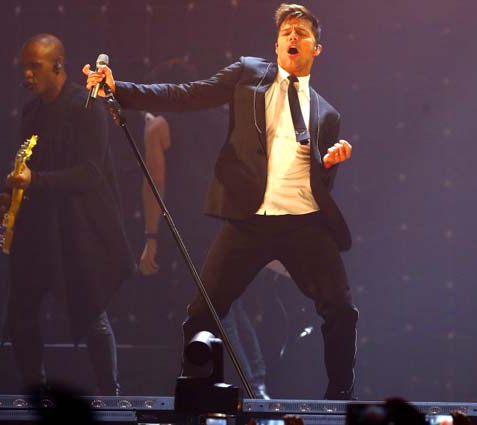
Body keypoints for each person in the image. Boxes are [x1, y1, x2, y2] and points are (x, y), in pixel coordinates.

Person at [84, 3, 358, 399]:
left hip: (303, 223)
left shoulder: (327, 114)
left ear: (316, 49)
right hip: (250, 220)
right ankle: (199, 394)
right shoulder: (249, 74)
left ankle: (340, 398)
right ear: (276, 45)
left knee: (341, 309)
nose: (293, 37)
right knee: (203, 313)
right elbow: (186, 95)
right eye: (286, 32)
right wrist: (120, 89)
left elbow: (319, 184)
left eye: (302, 33)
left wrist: (329, 165)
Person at [0, 33, 132, 395]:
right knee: (21, 312)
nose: (27, 74)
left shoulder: (86, 107)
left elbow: (91, 173)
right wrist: (9, 196)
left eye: (34, 66)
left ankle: (110, 396)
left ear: (57, 66)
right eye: (24, 67)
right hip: (37, 227)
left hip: (76, 228)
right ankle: (35, 393)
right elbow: (28, 164)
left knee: (91, 311)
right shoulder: (32, 112)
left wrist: (35, 180)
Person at [138, 66, 269, 397]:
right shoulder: (222, 117)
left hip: (194, 229)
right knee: (232, 305)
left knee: (216, 309)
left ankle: (252, 391)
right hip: (229, 219)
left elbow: (155, 184)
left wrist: (151, 237)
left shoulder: (157, 127)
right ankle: (259, 385)